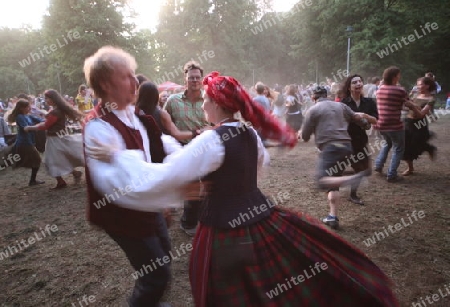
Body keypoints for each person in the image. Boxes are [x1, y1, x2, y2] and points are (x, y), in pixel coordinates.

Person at [87, 72, 398, 307]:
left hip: (224, 229)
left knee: (227, 292)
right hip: (261, 218)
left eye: (207, 99)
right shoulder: (248, 132)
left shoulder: (212, 139)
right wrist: (174, 146)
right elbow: (256, 165)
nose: (203, 103)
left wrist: (118, 157)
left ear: (218, 103)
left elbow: (169, 175)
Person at [83, 46, 182, 307]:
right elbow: (122, 184)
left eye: (134, 74)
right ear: (106, 83)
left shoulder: (136, 115)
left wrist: (194, 155)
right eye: (127, 76)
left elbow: (159, 148)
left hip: (149, 204)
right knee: (155, 275)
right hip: (123, 215)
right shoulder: (98, 127)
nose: (135, 81)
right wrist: (175, 186)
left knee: (164, 257)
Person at [301, 86, 376, 229]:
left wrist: (303, 134)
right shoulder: (341, 105)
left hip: (330, 149)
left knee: (321, 180)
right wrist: (365, 124)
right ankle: (332, 217)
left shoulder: (313, 110)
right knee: (333, 182)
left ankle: (354, 178)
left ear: (313, 97)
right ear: (326, 95)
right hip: (346, 147)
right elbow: (358, 119)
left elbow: (305, 137)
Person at [164, 60, 209, 236]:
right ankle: (188, 223)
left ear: (202, 79)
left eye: (197, 77)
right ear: (185, 79)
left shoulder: (209, 99)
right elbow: (165, 124)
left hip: (206, 150)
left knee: (206, 187)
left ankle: (203, 220)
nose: (194, 80)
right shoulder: (173, 101)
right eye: (191, 78)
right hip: (181, 150)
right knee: (192, 187)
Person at [24, 89, 85, 189]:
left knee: (50, 161)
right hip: (57, 138)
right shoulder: (57, 110)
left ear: (53, 99)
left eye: (47, 98)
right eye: (45, 98)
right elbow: (46, 123)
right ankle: (74, 174)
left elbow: (45, 125)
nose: (46, 100)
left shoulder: (55, 112)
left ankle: (61, 181)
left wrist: (31, 128)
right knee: (63, 157)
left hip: (55, 139)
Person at [341, 75, 378, 205]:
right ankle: (352, 194)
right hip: (346, 139)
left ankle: (340, 178)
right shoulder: (344, 103)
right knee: (353, 168)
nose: (358, 84)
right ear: (349, 87)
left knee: (366, 170)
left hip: (361, 139)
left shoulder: (369, 102)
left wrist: (365, 116)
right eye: (354, 82)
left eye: (360, 81)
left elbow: (375, 120)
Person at [374, 66, 415, 182]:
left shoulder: (380, 89)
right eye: (398, 75)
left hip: (381, 124)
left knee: (387, 143)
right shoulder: (400, 90)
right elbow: (409, 102)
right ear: (394, 77)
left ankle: (378, 165)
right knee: (398, 148)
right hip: (395, 125)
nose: (399, 77)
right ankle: (392, 174)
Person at [401, 77, 437, 175]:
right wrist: (404, 105)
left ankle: (429, 148)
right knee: (406, 146)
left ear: (427, 86)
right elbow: (405, 108)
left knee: (416, 145)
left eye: (420, 84)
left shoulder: (431, 99)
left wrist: (412, 106)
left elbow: (421, 114)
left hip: (420, 125)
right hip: (408, 122)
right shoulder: (414, 94)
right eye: (417, 84)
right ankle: (410, 168)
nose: (418, 86)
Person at [7, 99, 45, 186]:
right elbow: (25, 128)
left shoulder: (28, 116)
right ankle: (32, 181)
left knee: (35, 160)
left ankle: (32, 180)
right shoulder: (19, 117)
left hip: (29, 142)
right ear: (21, 108)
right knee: (37, 159)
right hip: (24, 143)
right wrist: (37, 127)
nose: (30, 108)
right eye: (27, 107)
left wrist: (47, 121)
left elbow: (41, 120)